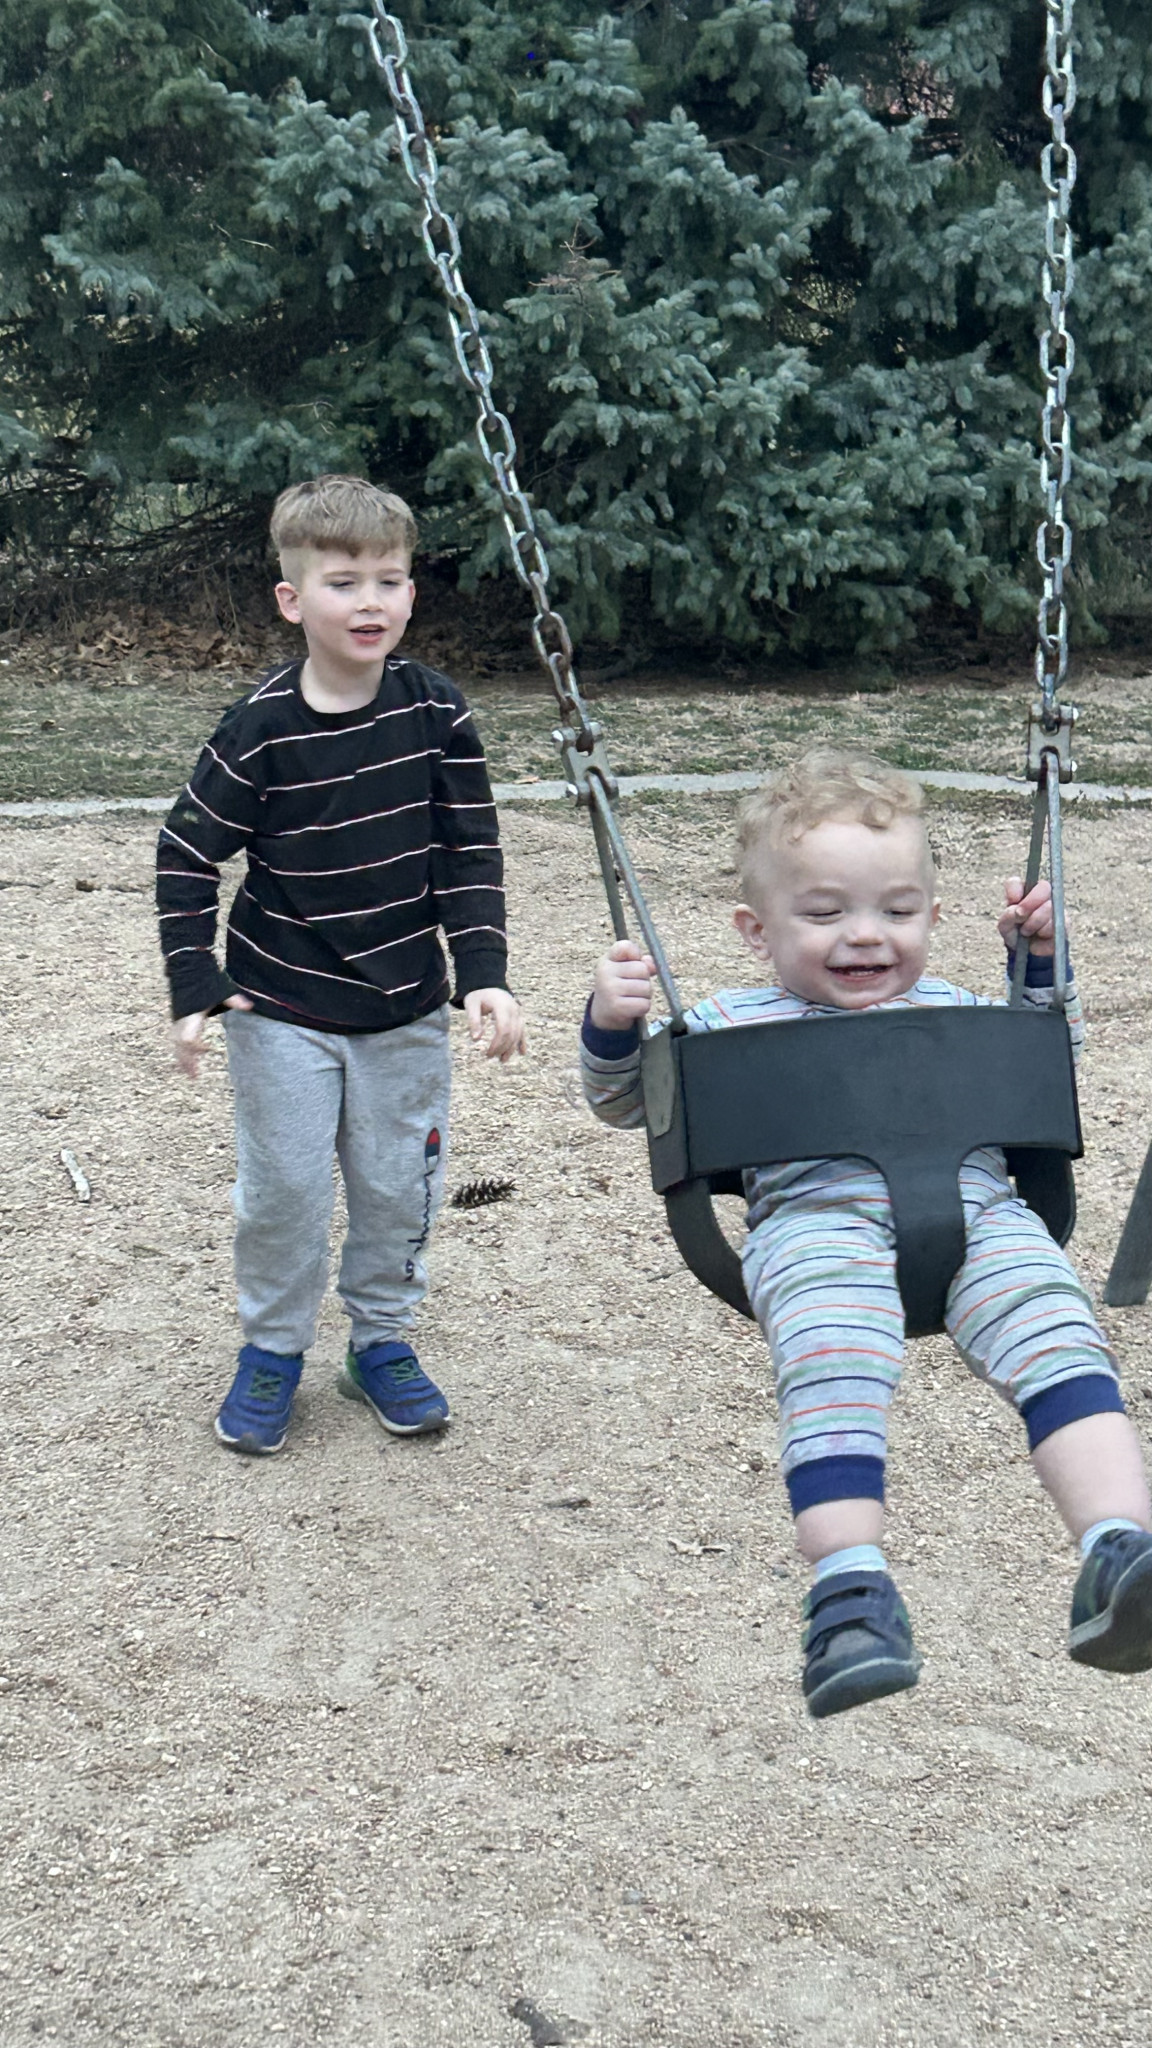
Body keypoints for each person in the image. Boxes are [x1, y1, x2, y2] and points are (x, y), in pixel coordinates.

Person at [580, 746, 1152, 1718]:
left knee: (1061, 1332)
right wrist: (610, 1022)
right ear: (757, 931)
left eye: (897, 909)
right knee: (834, 1361)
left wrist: (1038, 965)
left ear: (932, 915)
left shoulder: (953, 1006)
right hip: (817, 1233)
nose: (864, 935)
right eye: (824, 913)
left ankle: (1116, 1549)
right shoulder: (724, 1022)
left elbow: (1042, 1059)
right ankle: (850, 1591)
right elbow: (629, 1101)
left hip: (981, 1222)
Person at [156, 473, 524, 1456]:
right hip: (280, 1005)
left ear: (411, 592)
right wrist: (195, 983)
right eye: (344, 581)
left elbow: (469, 852)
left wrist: (484, 971)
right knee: (285, 1193)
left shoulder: (437, 712)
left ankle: (380, 1342)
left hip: (405, 1008)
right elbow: (186, 853)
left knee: (400, 1188)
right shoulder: (259, 728)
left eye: (389, 580)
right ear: (293, 599)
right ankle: (272, 1349)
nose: (371, 602)